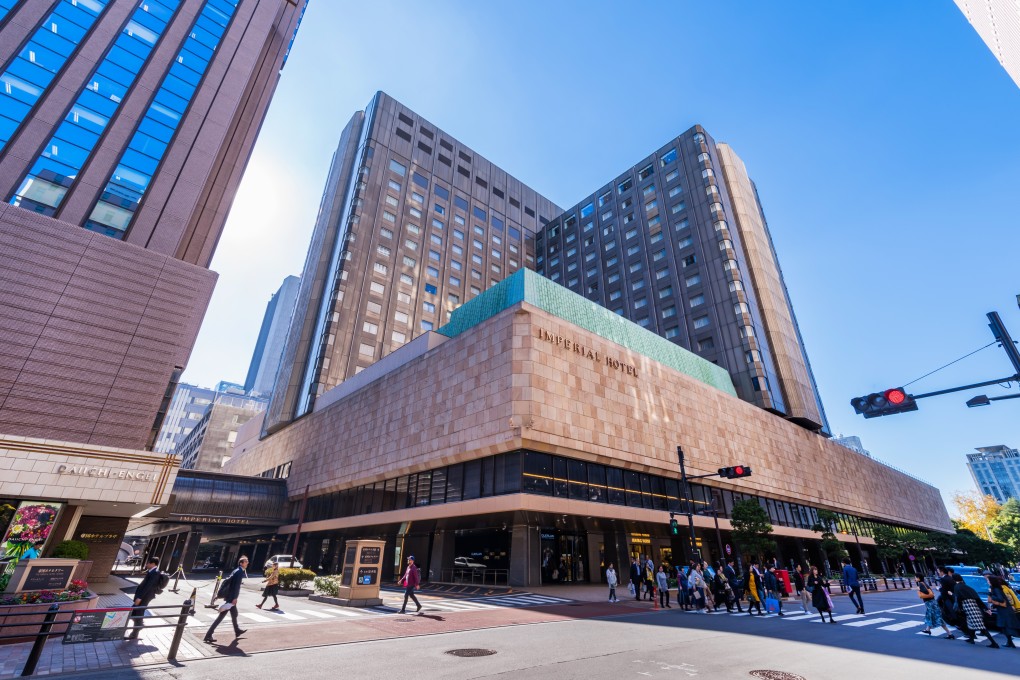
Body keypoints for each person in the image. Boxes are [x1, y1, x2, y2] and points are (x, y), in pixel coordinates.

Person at [205, 556, 249, 643]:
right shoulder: (239, 572)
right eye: (246, 562)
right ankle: (208, 635)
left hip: (230, 596)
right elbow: (236, 587)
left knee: (234, 614)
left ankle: (237, 631)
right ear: (241, 563)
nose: (247, 563)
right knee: (221, 617)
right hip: (231, 597)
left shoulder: (236, 570)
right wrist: (235, 598)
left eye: (247, 561)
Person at [952, 573, 998, 647]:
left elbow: (958, 599)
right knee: (971, 624)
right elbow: (978, 599)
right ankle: (972, 639)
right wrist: (985, 608)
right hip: (975, 606)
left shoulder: (957, 587)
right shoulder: (968, 587)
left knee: (979, 626)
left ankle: (994, 643)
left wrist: (960, 609)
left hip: (967, 607)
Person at [128, 557, 161, 639]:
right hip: (143, 596)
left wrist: (140, 598)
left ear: (153, 564)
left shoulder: (155, 573)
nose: (146, 565)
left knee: (138, 612)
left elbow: (148, 587)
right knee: (134, 612)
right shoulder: (151, 571)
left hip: (144, 597)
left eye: (148, 563)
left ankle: (135, 632)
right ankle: (139, 625)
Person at [916, 573, 954, 639]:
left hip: (930, 603)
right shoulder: (924, 583)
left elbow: (926, 592)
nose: (915, 579)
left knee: (937, 617)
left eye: (916, 577)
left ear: (919, 578)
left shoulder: (921, 584)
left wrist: (919, 589)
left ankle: (949, 634)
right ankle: (927, 629)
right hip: (931, 602)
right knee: (929, 616)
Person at [986, 574, 1019, 648]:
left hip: (1005, 610)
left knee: (1006, 626)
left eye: (988, 580)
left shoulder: (996, 589)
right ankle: (1010, 642)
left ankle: (1010, 642)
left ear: (992, 581)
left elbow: (1000, 599)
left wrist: (991, 595)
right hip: (1004, 610)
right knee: (1005, 627)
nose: (987, 581)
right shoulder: (996, 588)